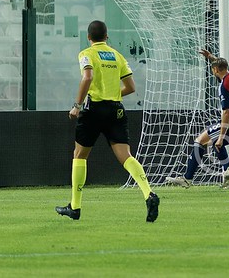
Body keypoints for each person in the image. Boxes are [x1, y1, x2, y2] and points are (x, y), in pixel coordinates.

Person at [55, 20, 159, 222]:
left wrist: (77, 106)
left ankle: (75, 207)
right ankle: (149, 193)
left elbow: (87, 77)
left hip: (94, 108)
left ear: (88, 37)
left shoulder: (87, 54)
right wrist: (112, 94)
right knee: (126, 156)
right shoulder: (116, 55)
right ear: (107, 36)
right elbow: (130, 87)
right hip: (116, 110)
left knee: (79, 155)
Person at [166, 50, 229, 189]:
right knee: (212, 140)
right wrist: (210, 57)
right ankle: (226, 172)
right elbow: (222, 65)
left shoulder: (225, 86)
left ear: (215, 70)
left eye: (213, 69)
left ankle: (188, 178)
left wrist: (221, 136)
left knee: (201, 140)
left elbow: (226, 112)